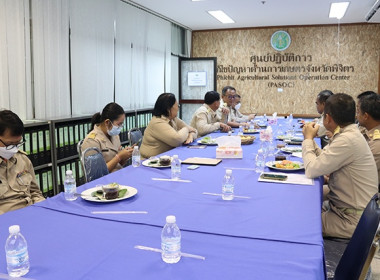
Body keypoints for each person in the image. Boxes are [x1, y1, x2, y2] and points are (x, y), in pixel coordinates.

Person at [302, 93, 378, 239]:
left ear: (328, 118)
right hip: (346, 208)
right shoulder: (349, 134)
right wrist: (310, 142)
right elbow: (325, 158)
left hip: (350, 219)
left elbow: (311, 169)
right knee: (304, 199)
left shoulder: (347, 139)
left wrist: (308, 139)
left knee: (300, 220)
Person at [0, 110, 45, 215]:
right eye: (9, 144)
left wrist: (44, 209)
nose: (13, 149)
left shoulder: (23, 159)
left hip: (31, 212)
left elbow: (35, 193)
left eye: (17, 144)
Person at [140, 93, 198, 158]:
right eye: (177, 106)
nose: (178, 109)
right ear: (168, 109)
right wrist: (187, 129)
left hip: (165, 160)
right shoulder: (157, 123)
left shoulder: (172, 118)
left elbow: (194, 130)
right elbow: (177, 140)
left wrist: (191, 136)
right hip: (149, 162)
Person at [81, 103, 133, 173]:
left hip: (117, 174)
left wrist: (125, 156)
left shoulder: (114, 135)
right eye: (119, 124)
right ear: (107, 122)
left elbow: (118, 165)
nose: (120, 127)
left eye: (122, 124)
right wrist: (119, 157)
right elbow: (97, 173)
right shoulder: (91, 141)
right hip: (104, 182)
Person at [356, 93, 380, 185]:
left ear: (366, 116)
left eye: (358, 112)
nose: (356, 115)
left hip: (362, 192)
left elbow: (360, 174)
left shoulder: (377, 143)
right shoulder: (365, 131)